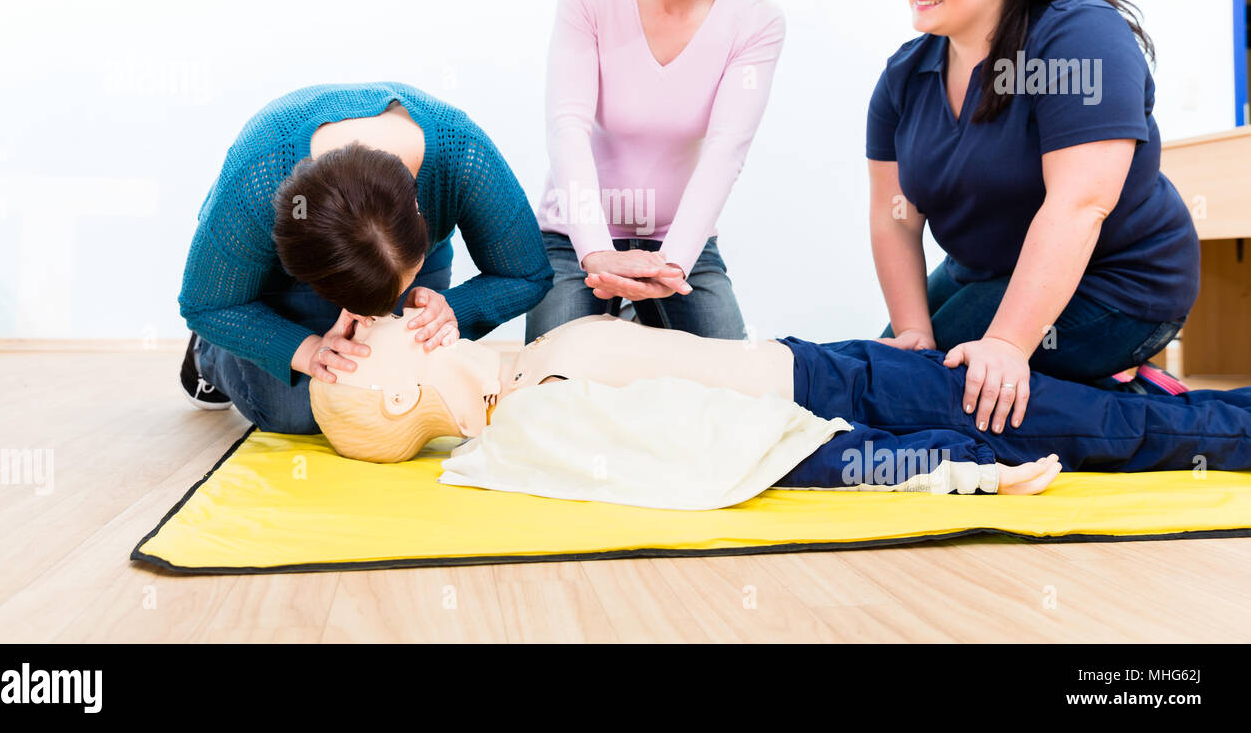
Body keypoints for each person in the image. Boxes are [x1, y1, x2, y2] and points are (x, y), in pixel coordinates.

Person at [866, 0, 1199, 433]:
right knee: (893, 371)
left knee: (927, 396)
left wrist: (1007, 344)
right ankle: (1081, 379)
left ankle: (1159, 406)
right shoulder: (907, 73)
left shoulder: (1080, 41)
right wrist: (912, 330)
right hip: (984, 270)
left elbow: (1079, 206)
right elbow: (893, 217)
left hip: (1120, 281)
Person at [307, 309, 1251, 497]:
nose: (375, 316)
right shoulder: (542, 413)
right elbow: (756, 450)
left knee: (1095, 401)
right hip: (856, 397)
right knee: (1125, 430)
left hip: (835, 361)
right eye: (361, 344)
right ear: (397, 389)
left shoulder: (527, 368)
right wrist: (954, 465)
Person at [176, 81, 553, 434]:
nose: (373, 319)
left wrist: (453, 310)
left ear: (419, 212)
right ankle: (208, 353)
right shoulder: (259, 173)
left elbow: (528, 274)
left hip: (393, 259)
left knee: (388, 400)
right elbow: (205, 304)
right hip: (280, 280)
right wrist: (307, 350)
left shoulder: (464, 153)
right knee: (299, 413)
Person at [528, 0, 786, 341]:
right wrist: (596, 252)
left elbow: (725, 151)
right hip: (574, 235)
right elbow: (567, 127)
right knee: (552, 373)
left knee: (731, 383)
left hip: (677, 239)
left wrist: (673, 264)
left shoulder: (755, 22)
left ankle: (636, 317)